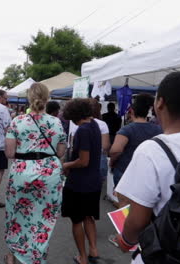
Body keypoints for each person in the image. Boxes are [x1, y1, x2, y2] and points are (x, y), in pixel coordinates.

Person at [115, 72, 180, 263]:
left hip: (166, 252)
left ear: (159, 103)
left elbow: (138, 219)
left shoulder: (152, 150)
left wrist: (125, 240)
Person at [4, 83, 67, 264]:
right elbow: (61, 152)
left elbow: (9, 153)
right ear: (47, 99)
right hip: (49, 175)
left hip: (22, 172)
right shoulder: (56, 122)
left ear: (29, 98)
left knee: (16, 214)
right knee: (43, 217)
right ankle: (37, 256)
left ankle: (12, 256)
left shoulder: (17, 121)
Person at [61, 98, 102, 264]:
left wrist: (66, 164)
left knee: (77, 220)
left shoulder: (83, 130)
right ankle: (93, 250)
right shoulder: (95, 125)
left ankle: (83, 257)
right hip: (93, 182)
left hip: (79, 184)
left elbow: (83, 161)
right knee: (89, 217)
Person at [109, 94, 162, 188]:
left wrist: (112, 162)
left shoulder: (126, 130)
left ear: (132, 112)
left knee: (124, 201)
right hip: (147, 172)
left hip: (125, 170)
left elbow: (116, 150)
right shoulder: (158, 130)